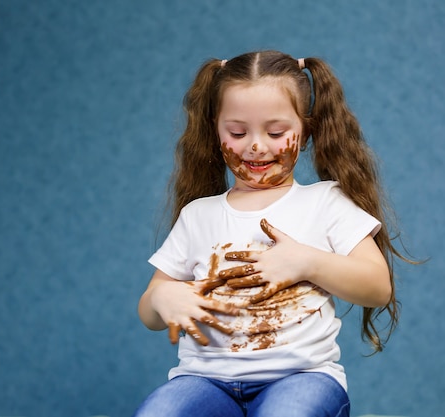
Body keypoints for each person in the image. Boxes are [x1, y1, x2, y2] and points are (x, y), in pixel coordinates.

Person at [134, 50, 411, 417]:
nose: (256, 144)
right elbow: (149, 310)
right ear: (215, 131)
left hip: (301, 377)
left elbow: (377, 287)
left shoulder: (325, 203)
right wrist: (162, 298)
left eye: (276, 132)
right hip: (205, 381)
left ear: (305, 132)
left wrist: (306, 261)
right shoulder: (197, 215)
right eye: (237, 131)